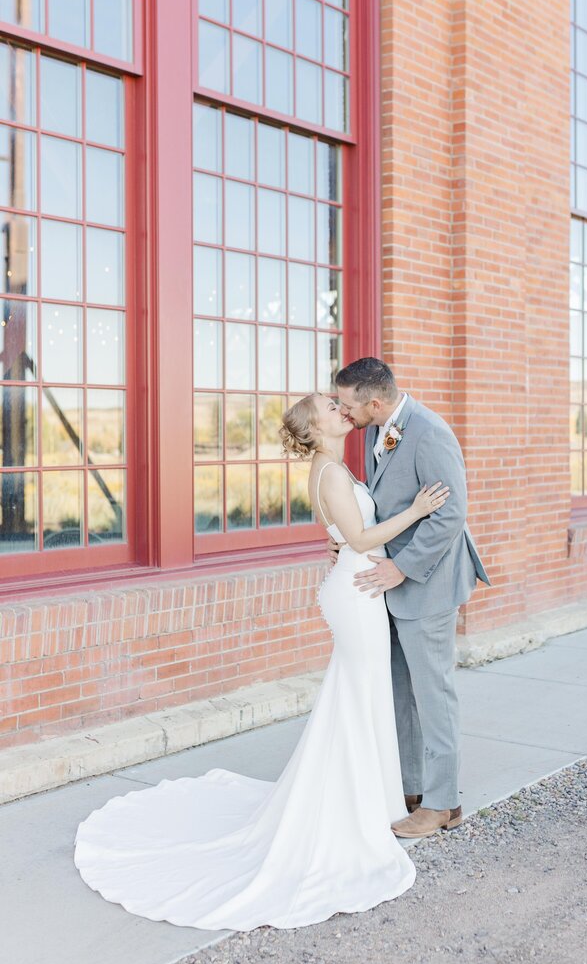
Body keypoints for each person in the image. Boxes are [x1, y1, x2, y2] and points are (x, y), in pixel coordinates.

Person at [72, 392, 450, 931]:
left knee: (359, 696)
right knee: (359, 696)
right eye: (330, 406)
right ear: (315, 426)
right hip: (356, 593)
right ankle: (355, 809)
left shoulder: (335, 467)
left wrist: (340, 540)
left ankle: (372, 800)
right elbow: (363, 536)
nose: (341, 409)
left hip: (357, 585)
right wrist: (415, 512)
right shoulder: (332, 472)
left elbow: (346, 534)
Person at [335, 357, 490, 839]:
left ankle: (444, 804)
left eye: (346, 405)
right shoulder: (373, 429)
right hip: (389, 583)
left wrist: (401, 567)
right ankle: (414, 789)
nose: (343, 413)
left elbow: (451, 515)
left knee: (433, 693)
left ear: (374, 403)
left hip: (429, 582)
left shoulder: (430, 433)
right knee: (401, 692)